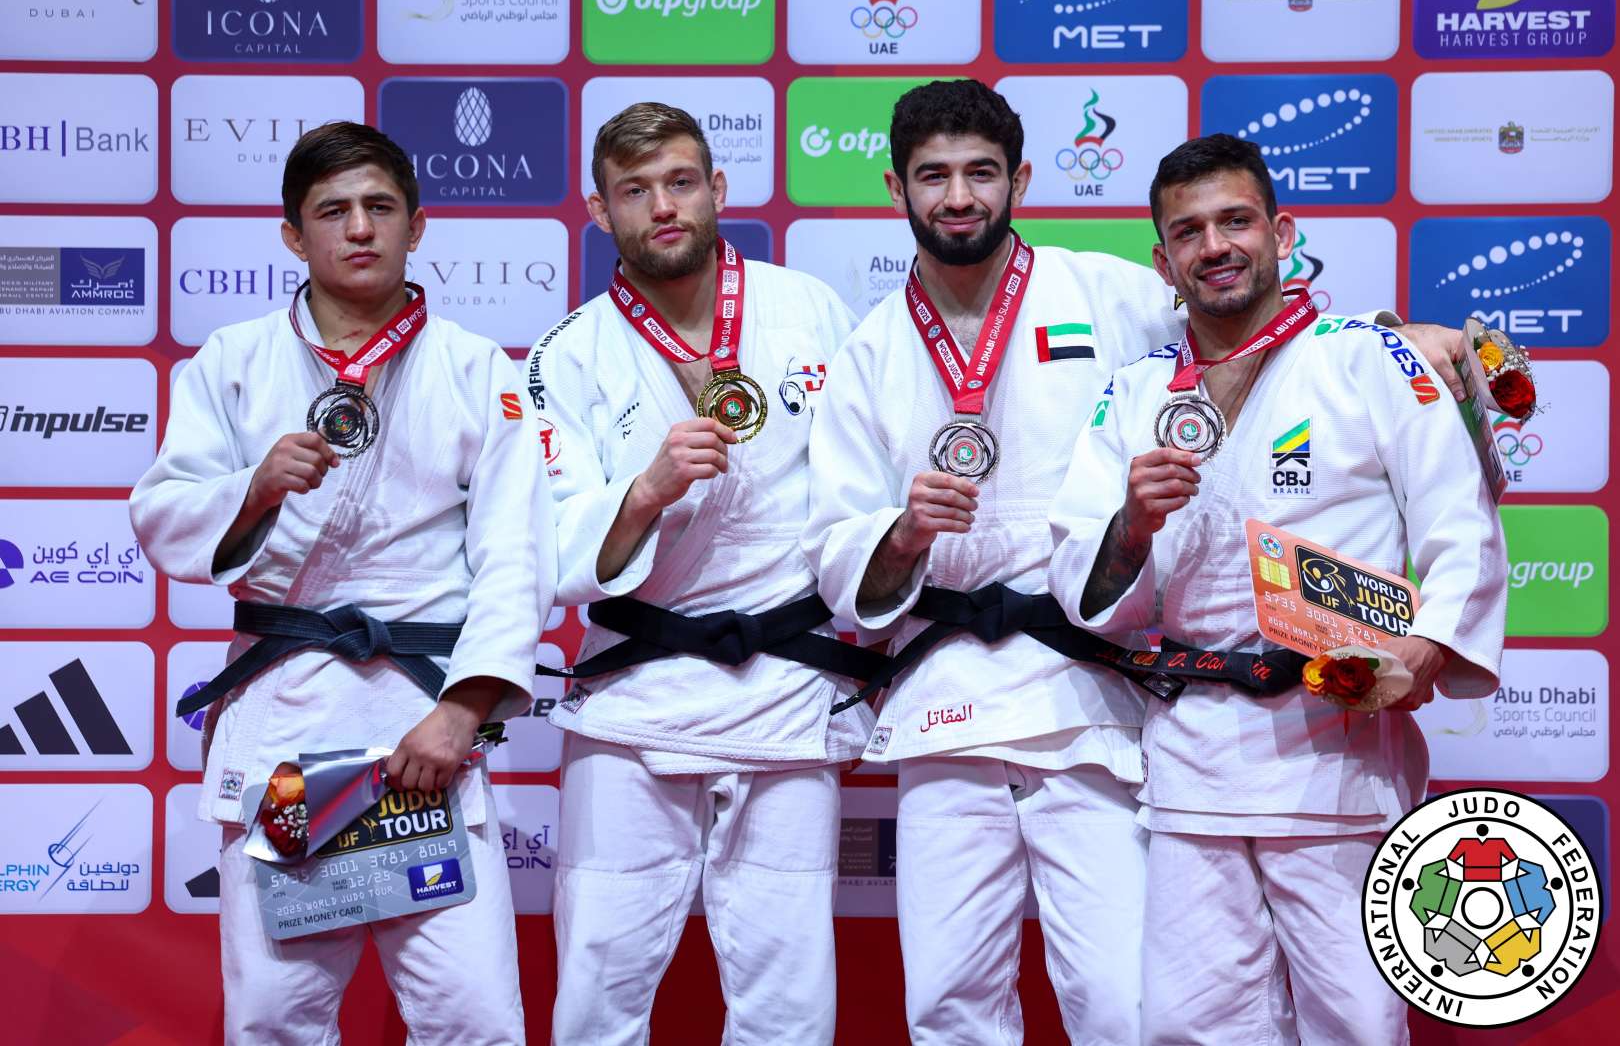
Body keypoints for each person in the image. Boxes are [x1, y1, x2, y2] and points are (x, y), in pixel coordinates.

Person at [1047, 133, 1507, 1045]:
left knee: (1357, 1019)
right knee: (1190, 1022)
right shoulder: (1136, 394)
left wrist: (1422, 652)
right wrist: (1133, 523)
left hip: (1333, 740)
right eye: (1188, 231)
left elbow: (1462, 527)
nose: (1214, 245)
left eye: (1235, 221)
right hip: (1190, 753)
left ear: (1281, 231)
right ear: (1163, 260)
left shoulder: (1370, 360)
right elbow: (1078, 580)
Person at [130, 121, 550, 1045]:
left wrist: (464, 713)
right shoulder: (232, 363)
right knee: (277, 1018)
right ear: (293, 234)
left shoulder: (479, 370)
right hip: (286, 727)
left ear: (417, 225)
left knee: (473, 1017)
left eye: (380, 208)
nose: (360, 228)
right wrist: (251, 491)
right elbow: (161, 517)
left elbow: (518, 557)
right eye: (333, 211)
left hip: (424, 733)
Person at [800, 77, 1186, 1046]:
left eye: (980, 173)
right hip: (945, 708)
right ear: (895, 187)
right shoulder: (870, 353)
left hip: (1085, 698)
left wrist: (1391, 337)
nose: (958, 197)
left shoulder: (1112, 296)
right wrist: (906, 534)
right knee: (949, 1004)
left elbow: (1252, 334)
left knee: (1123, 1000)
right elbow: (839, 548)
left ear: (1020, 178)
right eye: (934, 176)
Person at [529, 102, 874, 1046]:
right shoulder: (569, 354)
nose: (662, 207)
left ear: (717, 189)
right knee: (599, 984)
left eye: (680, 182)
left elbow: (861, 487)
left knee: (789, 994)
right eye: (634, 192)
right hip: (635, 697)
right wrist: (644, 491)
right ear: (600, 212)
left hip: (786, 687)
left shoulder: (809, 310)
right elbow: (554, 550)